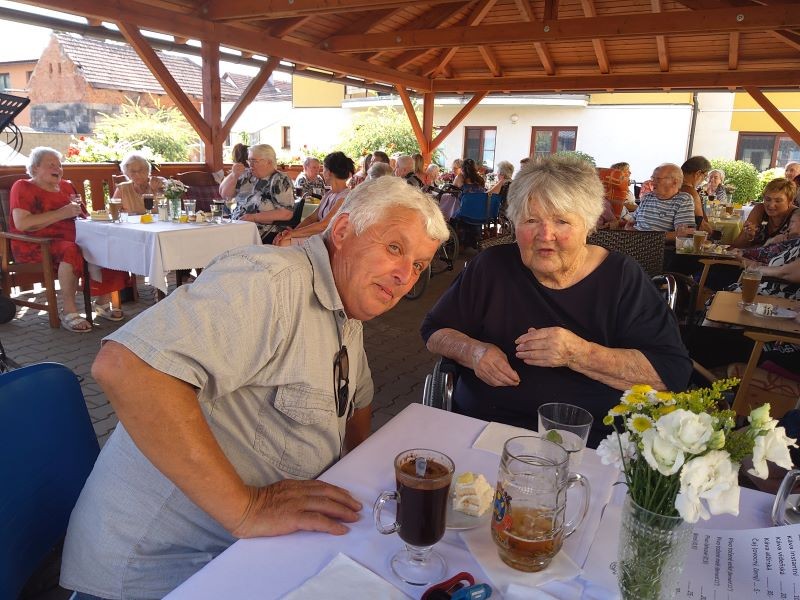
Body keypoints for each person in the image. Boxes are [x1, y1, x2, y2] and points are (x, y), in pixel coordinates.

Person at [60, 176, 449, 599]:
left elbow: (357, 400)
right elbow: (126, 367)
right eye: (394, 248)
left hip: (252, 551)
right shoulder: (270, 282)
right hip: (161, 569)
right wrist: (246, 509)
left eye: (418, 265)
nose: (404, 277)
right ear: (341, 231)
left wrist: (352, 481)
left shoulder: (346, 303)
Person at [420, 155, 692, 446]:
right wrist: (473, 352)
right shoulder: (491, 267)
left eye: (561, 221)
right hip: (486, 428)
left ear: (588, 225)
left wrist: (579, 354)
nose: (545, 235)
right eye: (531, 220)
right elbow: (435, 330)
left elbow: (670, 373)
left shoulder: (621, 278)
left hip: (588, 442)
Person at [9, 147, 129, 331]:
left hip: (73, 239)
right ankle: (69, 310)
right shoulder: (23, 186)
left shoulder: (67, 186)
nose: (57, 168)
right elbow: (22, 223)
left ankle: (102, 302)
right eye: (51, 165)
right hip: (36, 244)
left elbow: (82, 216)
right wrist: (61, 213)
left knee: (106, 241)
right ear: (34, 168)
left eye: (59, 165)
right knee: (71, 250)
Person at [273, 151, 355, 246]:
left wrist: (293, 234)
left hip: (329, 242)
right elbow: (312, 218)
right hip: (318, 237)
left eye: (323, 169)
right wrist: (293, 232)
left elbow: (324, 225)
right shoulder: (329, 193)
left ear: (329, 173)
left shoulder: (345, 197)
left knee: (283, 242)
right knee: (282, 239)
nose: (321, 172)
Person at [219, 143, 294, 242]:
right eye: (249, 160)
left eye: (254, 161)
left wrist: (254, 217)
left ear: (269, 162)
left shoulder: (279, 179)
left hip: (261, 232)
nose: (250, 165)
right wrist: (234, 175)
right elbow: (225, 195)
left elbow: (286, 213)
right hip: (236, 227)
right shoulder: (247, 175)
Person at [631, 163, 695, 240]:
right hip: (634, 242)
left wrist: (645, 238)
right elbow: (631, 222)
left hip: (658, 246)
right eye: (652, 178)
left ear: (674, 182)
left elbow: (685, 234)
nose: (652, 183)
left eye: (658, 179)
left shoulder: (683, 199)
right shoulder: (648, 197)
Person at [730, 178, 797, 249]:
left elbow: (792, 250)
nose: (771, 205)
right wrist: (748, 237)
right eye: (768, 199)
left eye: (778, 201)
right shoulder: (760, 209)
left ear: (790, 201)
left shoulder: (796, 216)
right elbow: (736, 246)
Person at [680, 155, 712, 232]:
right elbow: (701, 225)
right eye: (705, 176)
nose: (704, 180)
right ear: (698, 173)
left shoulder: (672, 187)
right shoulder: (691, 193)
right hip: (685, 236)